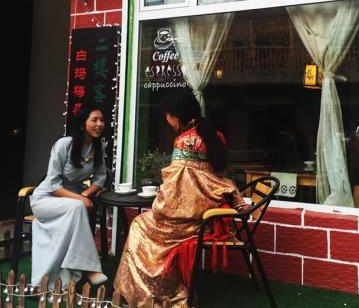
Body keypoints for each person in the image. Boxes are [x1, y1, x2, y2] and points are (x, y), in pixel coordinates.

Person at [114, 87, 246, 307]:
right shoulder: (215, 135)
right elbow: (209, 178)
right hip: (211, 215)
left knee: (139, 225)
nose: (167, 120)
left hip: (192, 221)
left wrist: (159, 203)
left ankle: (157, 294)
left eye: (167, 115)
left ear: (175, 115)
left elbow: (177, 188)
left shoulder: (185, 141)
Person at [30, 105, 108, 287]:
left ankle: (75, 270)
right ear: (82, 123)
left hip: (72, 199)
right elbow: (53, 185)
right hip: (46, 199)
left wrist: (85, 193)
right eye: (94, 120)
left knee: (77, 207)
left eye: (102, 120)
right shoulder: (64, 144)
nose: (99, 124)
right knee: (78, 206)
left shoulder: (98, 147)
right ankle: (90, 269)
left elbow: (100, 179)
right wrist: (80, 198)